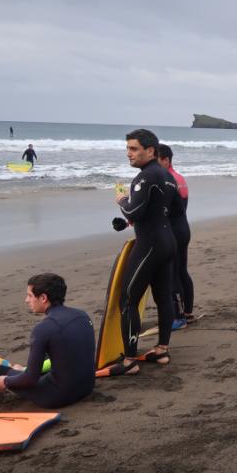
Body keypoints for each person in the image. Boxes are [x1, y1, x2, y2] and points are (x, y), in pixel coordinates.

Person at [105, 129, 179, 376]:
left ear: (150, 151)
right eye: (127, 149)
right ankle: (162, 349)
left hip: (150, 245)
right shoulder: (168, 176)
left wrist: (122, 200)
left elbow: (133, 212)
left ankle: (129, 360)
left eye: (134, 149)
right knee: (163, 298)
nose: (129, 154)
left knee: (127, 300)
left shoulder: (145, 177)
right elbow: (174, 210)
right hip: (168, 241)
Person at [0, 273, 95, 406]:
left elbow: (30, 378)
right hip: (86, 387)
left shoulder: (43, 328)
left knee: (0, 371)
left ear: (43, 298)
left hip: (58, 396)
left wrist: (6, 381)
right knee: (51, 352)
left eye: (29, 295)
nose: (26, 300)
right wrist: (22, 371)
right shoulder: (82, 315)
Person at [157, 144, 194, 326]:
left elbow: (163, 211)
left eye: (157, 161)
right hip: (183, 228)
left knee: (173, 275)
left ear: (166, 160)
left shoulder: (166, 180)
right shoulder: (179, 178)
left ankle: (178, 317)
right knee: (182, 271)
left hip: (173, 231)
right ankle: (187, 312)